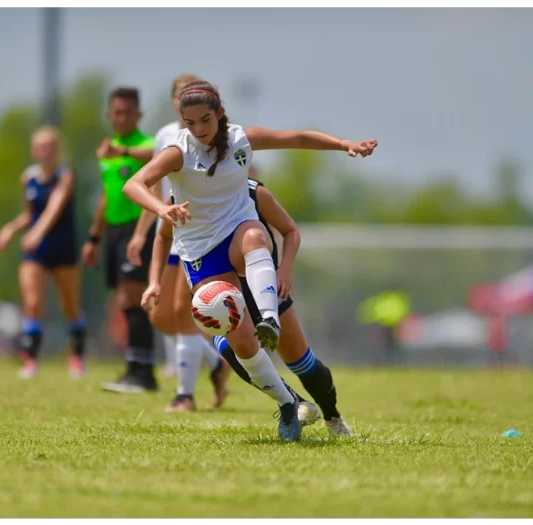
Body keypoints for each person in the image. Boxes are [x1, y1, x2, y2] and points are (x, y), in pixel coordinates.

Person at [123, 80, 377, 442]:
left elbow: (297, 140)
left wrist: (344, 144)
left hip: (251, 258)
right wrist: (162, 212)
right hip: (204, 255)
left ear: (221, 113)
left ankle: (282, 340)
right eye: (189, 123)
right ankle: (288, 403)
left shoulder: (248, 163)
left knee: (300, 355)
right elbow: (133, 184)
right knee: (239, 348)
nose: (198, 130)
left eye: (205, 120)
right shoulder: (178, 152)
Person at [163, 173, 352, 436]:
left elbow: (290, 230)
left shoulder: (254, 192)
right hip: (223, 294)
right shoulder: (182, 198)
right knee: (233, 351)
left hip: (263, 288)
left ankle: (334, 418)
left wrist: (285, 269)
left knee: (303, 363)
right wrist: (153, 279)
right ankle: (291, 402)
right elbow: (163, 234)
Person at [130, 74, 231, 413]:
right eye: (176, 95)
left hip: (200, 236)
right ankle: (216, 363)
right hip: (169, 231)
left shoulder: (215, 136)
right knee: (160, 317)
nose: (180, 100)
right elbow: (156, 190)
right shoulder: (165, 137)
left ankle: (184, 396)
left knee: (183, 315)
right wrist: (141, 233)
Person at [81, 86, 159, 394]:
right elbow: (104, 196)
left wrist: (124, 152)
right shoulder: (106, 151)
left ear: (138, 114)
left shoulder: (146, 144)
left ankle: (143, 373)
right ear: (108, 115)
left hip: (136, 226)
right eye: (116, 112)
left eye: (127, 112)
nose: (121, 117)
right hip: (113, 231)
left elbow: (159, 158)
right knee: (123, 301)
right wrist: (93, 237)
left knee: (133, 297)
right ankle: (135, 369)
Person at [0, 125, 86, 379]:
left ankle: (77, 357)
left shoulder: (65, 176)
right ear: (34, 150)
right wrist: (10, 229)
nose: (45, 152)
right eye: (40, 147)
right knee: (33, 303)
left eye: (50, 147)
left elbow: (54, 209)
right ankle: (30, 361)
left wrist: (37, 232)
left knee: (70, 306)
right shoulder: (28, 178)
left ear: (57, 150)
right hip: (36, 250)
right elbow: (29, 215)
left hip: (62, 247)